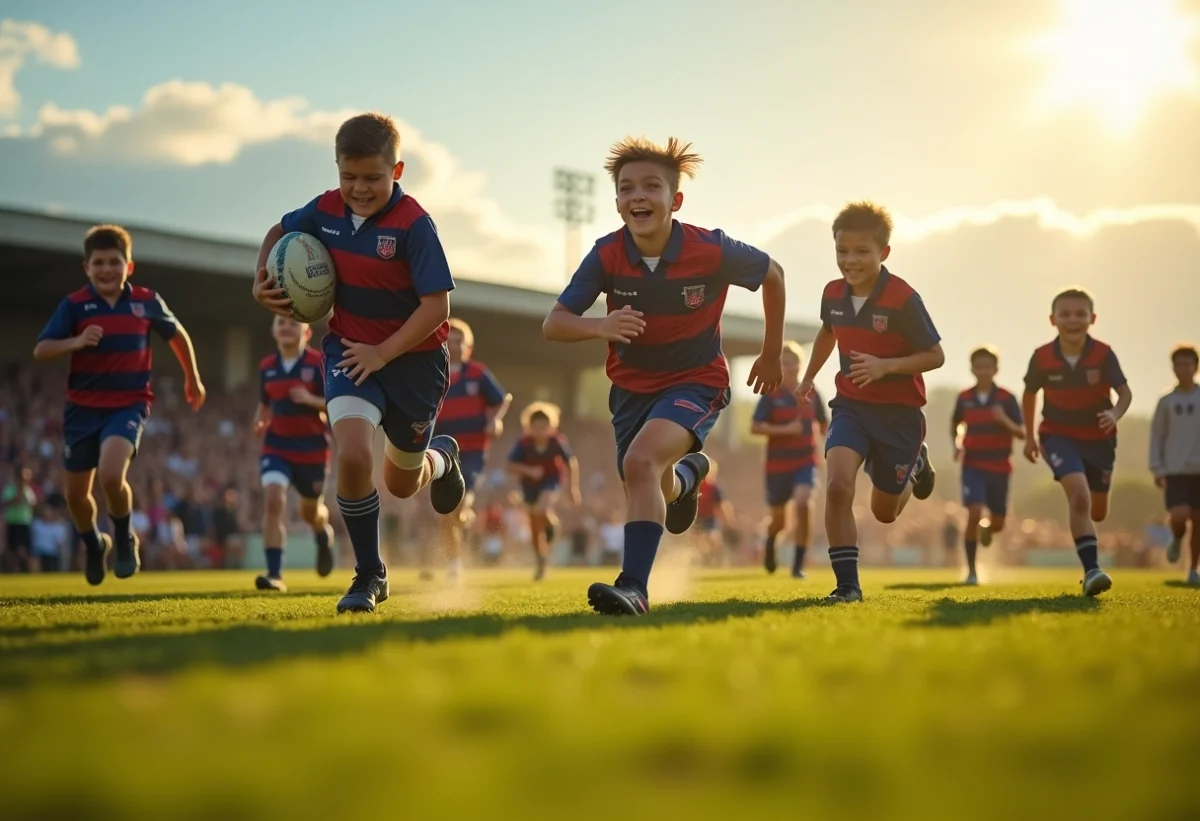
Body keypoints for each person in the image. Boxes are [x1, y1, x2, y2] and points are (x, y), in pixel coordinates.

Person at [543, 135, 785, 615]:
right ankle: (690, 476)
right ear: (616, 203)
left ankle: (634, 587)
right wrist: (601, 325)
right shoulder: (606, 255)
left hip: (697, 381)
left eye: (651, 186)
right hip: (631, 389)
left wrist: (772, 353)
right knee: (645, 476)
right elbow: (554, 325)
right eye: (627, 188)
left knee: (640, 464)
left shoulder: (710, 248)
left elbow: (773, 273)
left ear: (675, 200)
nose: (638, 196)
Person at [252, 112, 465, 613]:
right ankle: (370, 573)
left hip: (413, 362)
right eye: (349, 177)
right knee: (350, 455)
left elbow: (437, 307)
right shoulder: (324, 209)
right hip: (348, 350)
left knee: (401, 482)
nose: (359, 188)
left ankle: (443, 457)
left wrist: (384, 352)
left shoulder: (414, 223)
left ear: (398, 170)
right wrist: (259, 278)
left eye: (372, 177)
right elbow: (277, 231)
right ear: (337, 170)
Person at [33, 224, 205, 585]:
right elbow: (41, 349)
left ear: (129, 266)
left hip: (128, 405)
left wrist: (193, 378)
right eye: (99, 263)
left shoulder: (145, 301)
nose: (107, 269)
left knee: (112, 474)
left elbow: (178, 335)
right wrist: (76, 342)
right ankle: (95, 544)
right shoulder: (75, 305)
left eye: (115, 262)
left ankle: (125, 538)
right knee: (76, 497)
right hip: (81, 410)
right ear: (87, 268)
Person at [796, 202, 943, 604]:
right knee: (839, 486)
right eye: (842, 250)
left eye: (862, 251)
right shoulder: (832, 293)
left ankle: (914, 465)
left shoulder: (903, 298)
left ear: (884, 253)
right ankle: (848, 586)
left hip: (899, 414)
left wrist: (885, 366)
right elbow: (829, 332)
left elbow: (935, 355)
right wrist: (809, 377)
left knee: (884, 511)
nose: (850, 260)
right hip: (851, 406)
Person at [1022, 287, 1132, 596]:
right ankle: (1092, 570)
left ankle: (1089, 552)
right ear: (1052, 319)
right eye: (1065, 314)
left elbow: (1124, 393)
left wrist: (1114, 413)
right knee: (1079, 496)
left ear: (1092, 318)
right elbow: (1030, 394)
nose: (1073, 320)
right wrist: (1030, 437)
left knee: (1097, 511)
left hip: (1100, 439)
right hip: (1057, 435)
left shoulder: (1103, 354)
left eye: (1080, 314)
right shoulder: (1041, 357)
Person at [252, 315, 335, 592]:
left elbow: (335, 403)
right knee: (274, 500)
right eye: (281, 323)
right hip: (277, 447)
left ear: (307, 332)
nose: (287, 327)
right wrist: (260, 420)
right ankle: (274, 574)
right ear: (273, 330)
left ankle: (322, 534)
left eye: (293, 324)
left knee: (310, 512)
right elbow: (265, 404)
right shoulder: (267, 366)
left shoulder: (318, 364)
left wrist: (311, 400)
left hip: (312, 451)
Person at [430, 318, 510, 580]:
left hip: (472, 454)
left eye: (459, 341)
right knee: (447, 511)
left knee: (460, 505)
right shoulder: (434, 374)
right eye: (449, 340)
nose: (454, 345)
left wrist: (494, 420)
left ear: (468, 347)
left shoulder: (478, 373)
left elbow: (502, 399)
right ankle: (454, 563)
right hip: (442, 452)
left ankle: (465, 519)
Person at [752, 341, 828, 578]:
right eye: (784, 363)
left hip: (805, 461)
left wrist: (833, 446)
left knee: (804, 503)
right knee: (779, 521)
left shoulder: (812, 392)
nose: (790, 367)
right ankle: (771, 540)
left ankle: (798, 565)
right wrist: (785, 430)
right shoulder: (771, 395)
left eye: (793, 362)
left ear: (800, 364)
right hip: (777, 466)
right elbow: (755, 427)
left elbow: (825, 424)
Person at [950, 346, 1024, 584]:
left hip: (1000, 466)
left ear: (996, 370)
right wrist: (956, 444)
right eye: (978, 366)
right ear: (972, 369)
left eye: (987, 367)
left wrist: (1004, 420)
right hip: (972, 464)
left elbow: (1022, 432)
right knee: (973, 511)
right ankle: (972, 571)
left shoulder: (1007, 399)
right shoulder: (964, 398)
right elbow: (955, 424)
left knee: (999, 523)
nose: (983, 371)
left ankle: (988, 528)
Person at [506, 402, 580, 580]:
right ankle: (541, 561)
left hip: (551, 481)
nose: (540, 431)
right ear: (529, 427)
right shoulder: (523, 443)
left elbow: (571, 463)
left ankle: (552, 525)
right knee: (534, 525)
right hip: (529, 486)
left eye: (544, 426)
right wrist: (528, 471)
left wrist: (572, 488)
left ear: (551, 426)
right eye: (536, 427)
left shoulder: (556, 442)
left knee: (542, 509)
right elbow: (510, 465)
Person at [1149, 344, 1200, 585]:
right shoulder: (1166, 402)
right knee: (1180, 516)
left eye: (1187, 364)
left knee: (1198, 520)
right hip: (1175, 469)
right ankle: (1177, 537)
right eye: (1178, 364)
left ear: (1195, 367)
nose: (1183, 369)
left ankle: (1192, 570)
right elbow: (1157, 435)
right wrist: (1157, 467)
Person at [2, 466, 37, 573]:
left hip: (24, 522)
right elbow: (5, 503)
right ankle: (14, 571)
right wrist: (15, 498)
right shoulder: (10, 488)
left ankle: (26, 569)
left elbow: (33, 504)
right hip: (13, 522)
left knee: (23, 549)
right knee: (12, 550)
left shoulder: (28, 490)